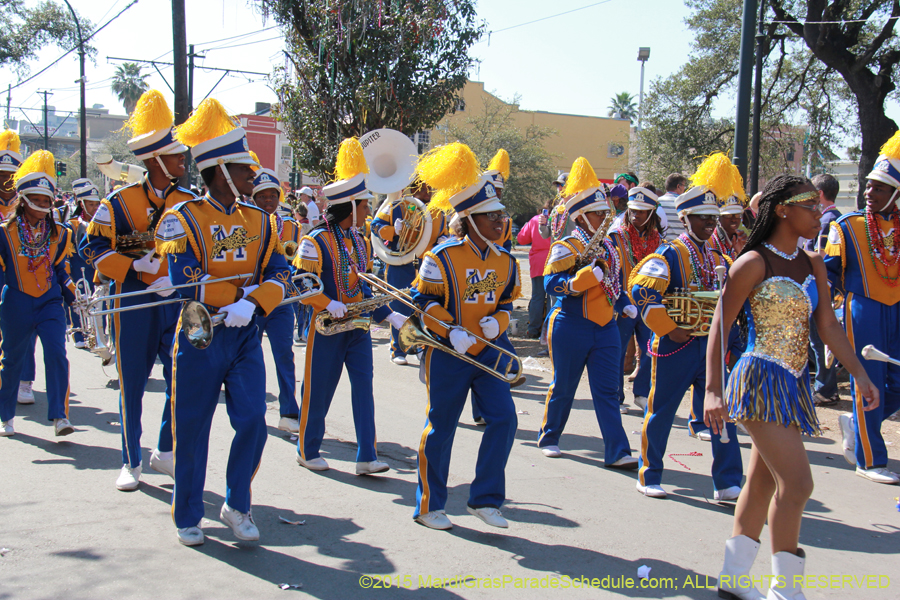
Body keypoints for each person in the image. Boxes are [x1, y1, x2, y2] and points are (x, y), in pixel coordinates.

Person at [705, 174, 879, 600]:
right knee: (799, 485)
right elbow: (719, 326)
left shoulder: (814, 262)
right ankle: (787, 590)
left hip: (793, 383)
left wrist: (859, 373)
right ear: (784, 209)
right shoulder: (753, 263)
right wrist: (713, 389)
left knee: (763, 482)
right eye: (811, 207)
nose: (819, 215)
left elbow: (828, 326)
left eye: (820, 208)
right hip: (758, 379)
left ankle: (734, 576)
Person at [155, 98, 292, 546]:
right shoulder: (181, 219)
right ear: (219, 170)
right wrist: (239, 296)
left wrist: (253, 304)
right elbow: (185, 282)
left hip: (245, 331)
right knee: (192, 427)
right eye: (245, 169)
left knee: (253, 419)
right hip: (199, 332)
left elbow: (280, 272)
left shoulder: (263, 220)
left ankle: (237, 504)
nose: (255, 176)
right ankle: (187, 514)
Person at [83, 90, 193, 491]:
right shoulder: (117, 202)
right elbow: (91, 246)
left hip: (175, 302)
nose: (183, 161)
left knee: (183, 378)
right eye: (177, 156)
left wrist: (177, 277)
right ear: (157, 160)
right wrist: (133, 265)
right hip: (133, 304)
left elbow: (197, 246)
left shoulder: (188, 201)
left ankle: (165, 451)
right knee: (132, 383)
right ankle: (130, 461)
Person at [411, 142, 521, 531]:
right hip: (449, 353)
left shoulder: (507, 261)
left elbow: (506, 303)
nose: (500, 221)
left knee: (505, 420)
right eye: (491, 216)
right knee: (441, 427)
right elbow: (422, 303)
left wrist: (499, 324)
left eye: (501, 215)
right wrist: (450, 330)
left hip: (490, 352)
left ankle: (485, 499)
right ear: (470, 219)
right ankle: (429, 505)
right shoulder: (440, 256)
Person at [293, 138, 405, 476]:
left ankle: (366, 455)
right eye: (364, 204)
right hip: (326, 326)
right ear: (349, 205)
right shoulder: (314, 240)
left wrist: (390, 315)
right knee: (318, 390)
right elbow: (301, 284)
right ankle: (307, 448)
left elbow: (365, 287)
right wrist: (328, 302)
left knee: (364, 388)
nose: (369, 210)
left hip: (357, 328)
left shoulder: (359, 239)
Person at [629, 183, 743, 500]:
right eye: (702, 216)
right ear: (685, 217)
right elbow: (641, 292)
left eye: (713, 217)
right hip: (676, 346)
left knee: (722, 413)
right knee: (662, 410)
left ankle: (727, 481)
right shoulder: (668, 254)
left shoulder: (719, 256)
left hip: (711, 347)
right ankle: (648, 473)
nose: (710, 223)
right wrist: (668, 329)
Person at [537, 157, 638, 468]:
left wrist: (624, 303)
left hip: (606, 326)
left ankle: (617, 450)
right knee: (564, 386)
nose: (603, 216)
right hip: (570, 325)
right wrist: (578, 281)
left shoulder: (608, 246)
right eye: (596, 213)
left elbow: (613, 285)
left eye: (604, 211)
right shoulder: (566, 246)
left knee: (607, 391)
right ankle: (550, 436)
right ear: (581, 217)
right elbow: (551, 285)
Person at [825, 134, 900, 485]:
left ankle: (857, 425)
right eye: (869, 186)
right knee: (869, 382)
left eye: (880, 188)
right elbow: (828, 275)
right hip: (863, 310)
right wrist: (828, 326)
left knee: (897, 383)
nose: (870, 192)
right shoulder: (846, 226)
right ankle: (870, 460)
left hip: (897, 310)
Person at [0, 150, 76, 438]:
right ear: (25, 201)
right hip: (16, 302)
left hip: (50, 302)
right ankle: (6, 416)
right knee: (12, 361)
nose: (44, 206)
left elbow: (60, 270)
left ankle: (59, 415)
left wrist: (75, 297)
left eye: (48, 201)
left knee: (57, 353)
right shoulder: (4, 232)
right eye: (39, 201)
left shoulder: (62, 233)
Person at [371, 177, 447, 365]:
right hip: (401, 263)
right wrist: (392, 230)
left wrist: (444, 239)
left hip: (426, 266)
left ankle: (420, 346)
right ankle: (398, 349)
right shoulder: (396, 205)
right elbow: (375, 226)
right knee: (399, 305)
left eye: (430, 188)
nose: (429, 193)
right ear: (414, 188)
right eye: (425, 188)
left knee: (424, 307)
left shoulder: (437, 210)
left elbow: (443, 232)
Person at [250, 168, 301, 433]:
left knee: (284, 353)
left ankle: (289, 410)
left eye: (273, 195)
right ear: (253, 198)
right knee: (251, 354)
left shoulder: (291, 223)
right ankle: (252, 406)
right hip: (254, 299)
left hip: (282, 300)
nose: (268, 200)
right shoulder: (245, 222)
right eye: (262, 196)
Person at [609, 186, 664, 414]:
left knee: (650, 349)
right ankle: (616, 396)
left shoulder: (659, 240)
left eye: (641, 211)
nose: (635, 215)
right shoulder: (615, 236)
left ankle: (642, 393)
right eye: (633, 210)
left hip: (647, 304)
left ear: (652, 213)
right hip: (622, 304)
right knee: (617, 350)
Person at [0, 129, 38, 404]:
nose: (5, 180)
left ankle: (25, 382)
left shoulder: (28, 204)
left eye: (10, 176)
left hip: (20, 272)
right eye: (1, 174)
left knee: (25, 327)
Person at [806, 174, 842, 408]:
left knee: (821, 342)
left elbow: (824, 258)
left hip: (822, 291)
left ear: (819, 194)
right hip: (827, 290)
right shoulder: (836, 218)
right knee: (820, 342)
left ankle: (826, 389)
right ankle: (827, 386)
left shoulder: (828, 220)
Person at [65, 178, 101, 349]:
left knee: (98, 301)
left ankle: (98, 335)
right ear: (82, 204)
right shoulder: (71, 225)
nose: (95, 208)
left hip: (97, 269)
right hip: (78, 268)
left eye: (96, 204)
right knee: (79, 300)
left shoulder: (103, 223)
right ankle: (79, 332)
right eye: (91, 204)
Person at [516, 201, 552, 339]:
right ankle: (548, 329)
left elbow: (521, 239)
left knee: (537, 296)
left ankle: (533, 329)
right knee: (551, 297)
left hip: (538, 262)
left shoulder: (534, 220)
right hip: (553, 260)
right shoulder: (557, 220)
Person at [657, 173, 687, 242]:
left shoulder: (657, 202)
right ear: (678, 186)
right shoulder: (684, 203)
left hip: (662, 247)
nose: (684, 189)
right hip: (681, 247)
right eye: (683, 186)